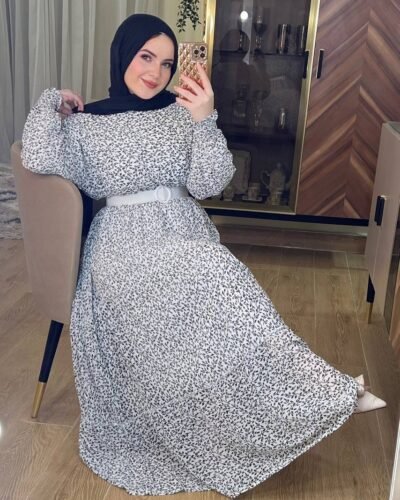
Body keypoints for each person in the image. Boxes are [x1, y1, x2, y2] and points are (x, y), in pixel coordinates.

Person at [21, 13, 386, 499]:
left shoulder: (181, 112)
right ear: (122, 54)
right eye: (145, 57)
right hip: (122, 243)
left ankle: (305, 396)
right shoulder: (87, 123)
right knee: (209, 273)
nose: (155, 72)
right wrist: (54, 100)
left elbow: (210, 183)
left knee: (223, 284)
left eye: (166, 63)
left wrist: (205, 118)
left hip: (184, 229)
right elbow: (36, 155)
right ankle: (317, 395)